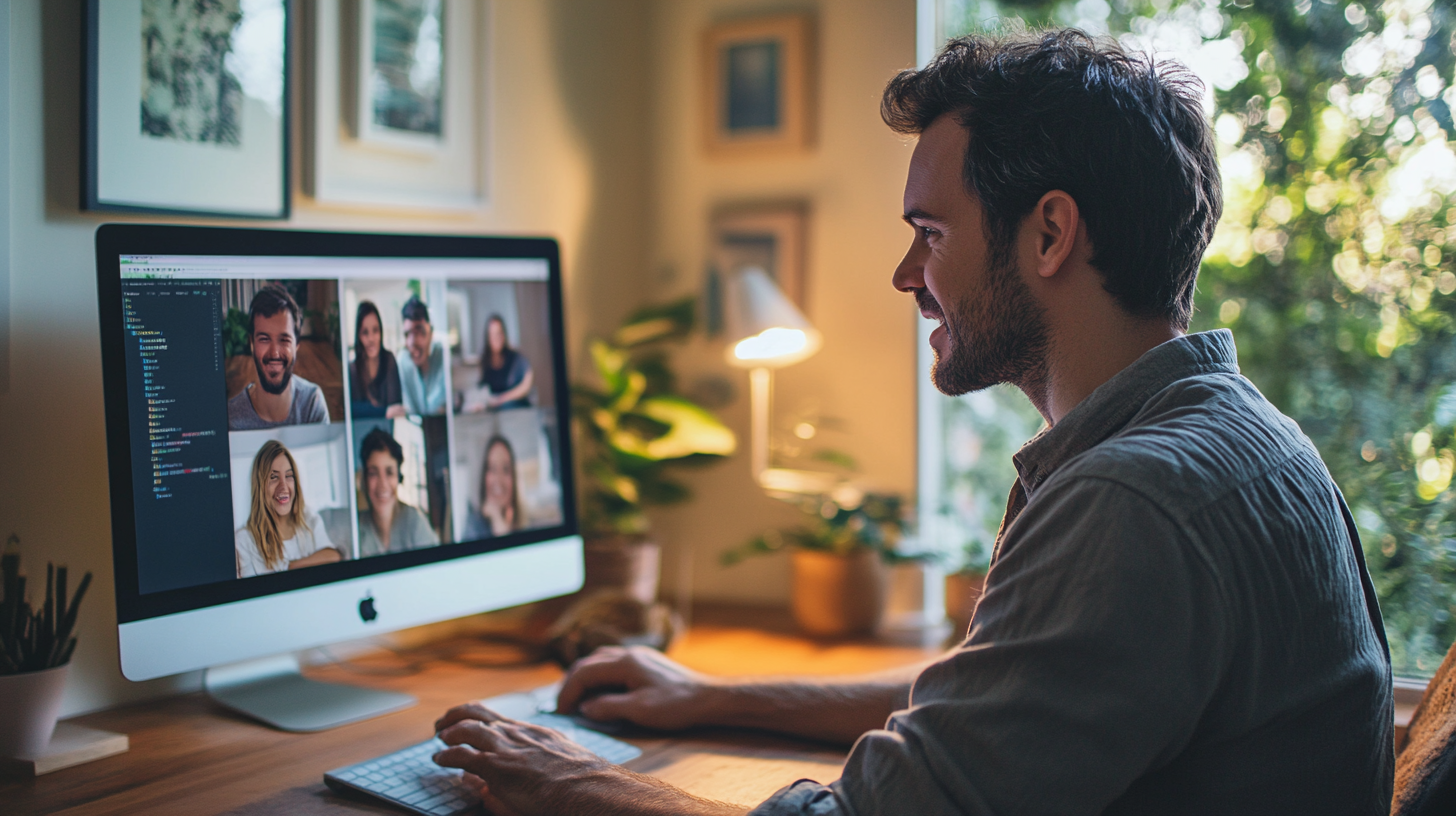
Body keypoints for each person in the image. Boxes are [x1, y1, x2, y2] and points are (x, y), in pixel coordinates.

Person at [427, 30, 1395, 816]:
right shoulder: (1235, 434)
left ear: (1049, 234)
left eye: (929, 233)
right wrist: (710, 695)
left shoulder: (1131, 498)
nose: (905, 276)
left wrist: (576, 784)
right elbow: (995, 706)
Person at [227, 285, 331, 431]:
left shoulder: (312, 403)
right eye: (264, 339)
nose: (274, 353)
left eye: (284, 340)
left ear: (296, 346)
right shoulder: (231, 418)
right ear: (251, 344)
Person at [235, 440, 341, 577]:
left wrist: (290, 567)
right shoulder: (243, 541)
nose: (283, 487)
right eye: (273, 477)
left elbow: (333, 556)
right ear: (260, 487)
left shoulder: (308, 519)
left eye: (289, 476)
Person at [356, 428, 438, 558]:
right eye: (373, 473)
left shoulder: (415, 522)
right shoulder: (356, 529)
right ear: (364, 480)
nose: (383, 485)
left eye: (389, 473)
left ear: (399, 477)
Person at [349, 301, 405, 420]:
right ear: (358, 336)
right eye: (365, 332)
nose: (371, 339)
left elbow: (396, 408)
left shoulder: (389, 360)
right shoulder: (353, 369)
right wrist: (383, 412)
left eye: (375, 330)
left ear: (381, 332)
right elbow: (352, 410)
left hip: (388, 432)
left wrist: (369, 410)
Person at [463, 435, 523, 540]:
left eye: (505, 469)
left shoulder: (525, 522)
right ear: (484, 476)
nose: (498, 479)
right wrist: (496, 516)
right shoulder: (473, 527)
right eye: (492, 469)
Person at [398, 296, 447, 417]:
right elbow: (409, 411)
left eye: (419, 332)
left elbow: (437, 408)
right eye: (407, 334)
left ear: (430, 333)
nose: (412, 342)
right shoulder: (403, 361)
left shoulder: (442, 355)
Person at [477, 314, 534, 410]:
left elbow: (526, 385)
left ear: (504, 334)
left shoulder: (516, 359)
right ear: (488, 337)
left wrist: (501, 399)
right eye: (492, 334)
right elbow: (481, 389)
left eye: (499, 333)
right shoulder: (484, 361)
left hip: (516, 409)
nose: (496, 338)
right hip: (495, 413)